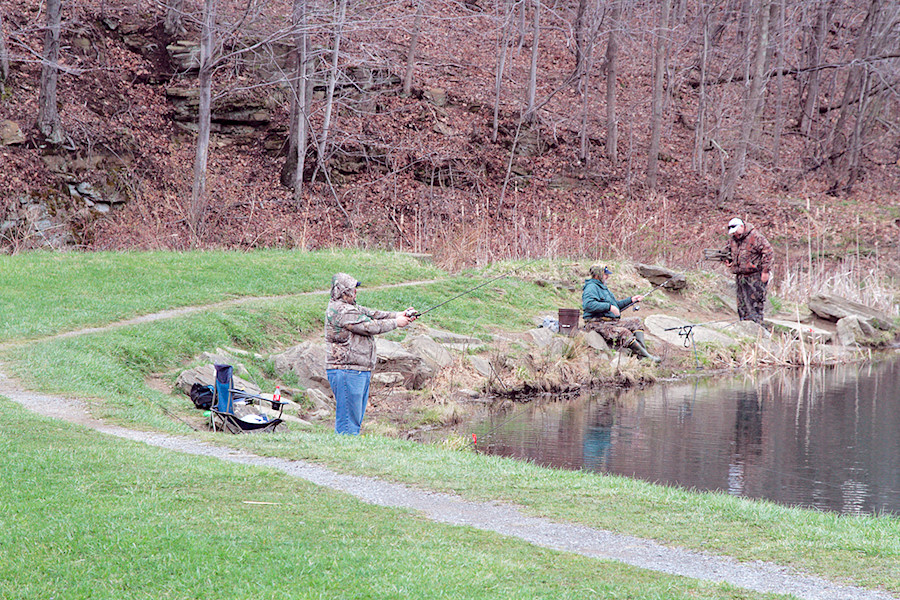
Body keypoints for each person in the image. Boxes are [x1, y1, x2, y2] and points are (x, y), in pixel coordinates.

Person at [325, 273, 416, 435]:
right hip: (347, 371)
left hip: (357, 370)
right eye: (352, 290)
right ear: (343, 292)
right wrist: (396, 323)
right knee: (348, 422)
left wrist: (399, 315)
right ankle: (345, 453)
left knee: (354, 419)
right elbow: (370, 326)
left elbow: (373, 314)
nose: (355, 293)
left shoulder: (351, 308)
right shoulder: (342, 311)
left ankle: (348, 451)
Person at [582, 265, 660, 362]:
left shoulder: (603, 288)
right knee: (624, 332)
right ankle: (646, 357)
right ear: (598, 275)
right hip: (596, 323)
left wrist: (631, 300)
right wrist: (609, 307)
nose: (607, 276)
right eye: (605, 274)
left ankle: (642, 354)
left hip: (610, 322)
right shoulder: (591, 287)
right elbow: (588, 304)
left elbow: (616, 306)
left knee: (636, 321)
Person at [722, 217, 774, 325]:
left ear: (742, 227)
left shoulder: (755, 237)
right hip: (740, 276)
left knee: (755, 305)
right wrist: (728, 260)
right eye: (733, 233)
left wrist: (765, 271)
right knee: (742, 305)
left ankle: (758, 330)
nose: (735, 234)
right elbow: (727, 250)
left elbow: (768, 252)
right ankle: (744, 327)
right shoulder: (733, 239)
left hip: (755, 276)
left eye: (736, 231)